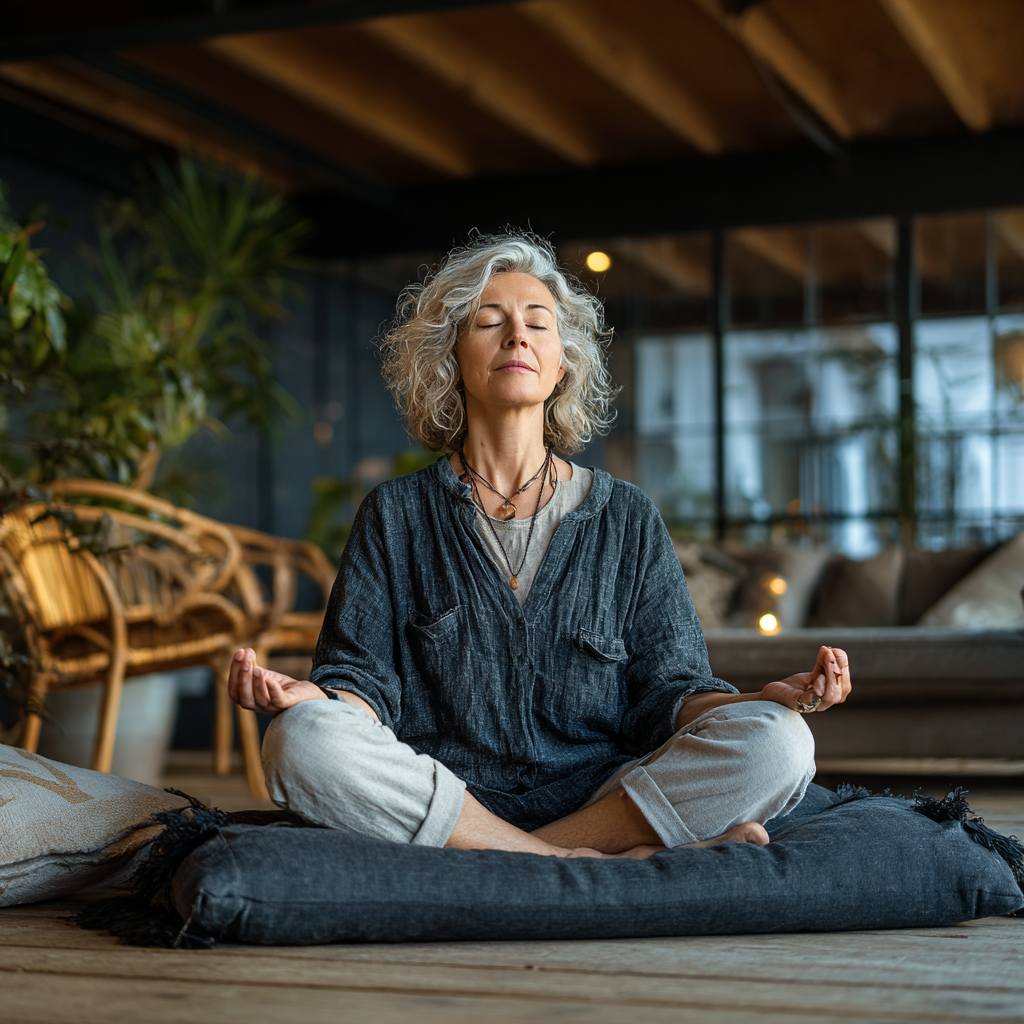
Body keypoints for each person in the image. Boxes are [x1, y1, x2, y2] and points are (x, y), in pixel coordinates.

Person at [229, 231, 851, 859]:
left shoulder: (628, 516)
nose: (517, 336)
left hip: (602, 794)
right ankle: (583, 864)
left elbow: (669, 692)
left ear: (562, 365)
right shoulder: (395, 513)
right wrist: (317, 698)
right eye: (489, 321)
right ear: (451, 357)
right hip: (446, 794)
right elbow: (360, 682)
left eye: (537, 324)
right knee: (299, 739)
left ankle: (508, 860)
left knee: (781, 741)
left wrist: (756, 702)